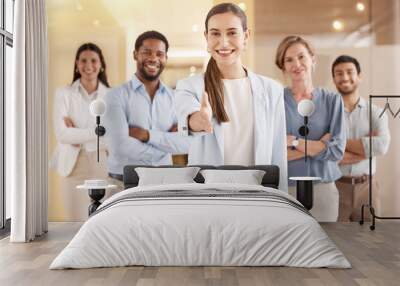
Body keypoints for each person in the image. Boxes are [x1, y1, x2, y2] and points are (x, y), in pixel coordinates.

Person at [175, 3, 288, 191]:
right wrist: (200, 121)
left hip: (258, 193)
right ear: (206, 37)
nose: (224, 42)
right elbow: (189, 118)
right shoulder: (189, 86)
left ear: (246, 36)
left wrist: (281, 200)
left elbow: (278, 156)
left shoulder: (272, 90)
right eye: (215, 33)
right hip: (209, 195)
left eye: (232, 33)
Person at [103, 31, 191, 185]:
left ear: (165, 58)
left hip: (163, 182)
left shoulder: (176, 98)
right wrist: (166, 145)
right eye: (147, 52)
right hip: (123, 183)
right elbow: (119, 146)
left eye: (159, 54)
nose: (153, 58)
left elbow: (186, 143)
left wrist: (146, 135)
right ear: (135, 54)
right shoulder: (114, 96)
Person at [275, 35, 346, 222]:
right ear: (283, 66)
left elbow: (337, 152)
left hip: (323, 188)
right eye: (288, 60)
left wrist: (294, 142)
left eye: (301, 57)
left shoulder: (332, 100)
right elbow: (273, 153)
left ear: (312, 59)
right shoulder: (275, 101)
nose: (296, 64)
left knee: (327, 245)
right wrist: (319, 145)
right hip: (286, 190)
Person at [51, 43, 110, 221]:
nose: (88, 65)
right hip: (73, 164)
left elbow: (112, 136)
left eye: (93, 60)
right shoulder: (64, 93)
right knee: (74, 220)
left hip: (101, 162)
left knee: (100, 220)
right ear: (77, 64)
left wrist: (76, 132)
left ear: (101, 65)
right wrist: (98, 132)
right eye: (83, 60)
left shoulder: (112, 95)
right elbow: (62, 134)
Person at [332, 55, 390, 222]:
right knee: (336, 241)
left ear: (359, 76)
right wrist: (366, 149)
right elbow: (326, 152)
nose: (344, 77)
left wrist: (338, 142)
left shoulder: (376, 112)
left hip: (368, 188)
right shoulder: (329, 115)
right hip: (336, 187)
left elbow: (382, 146)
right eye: (339, 73)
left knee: (371, 243)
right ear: (334, 79)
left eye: (350, 72)